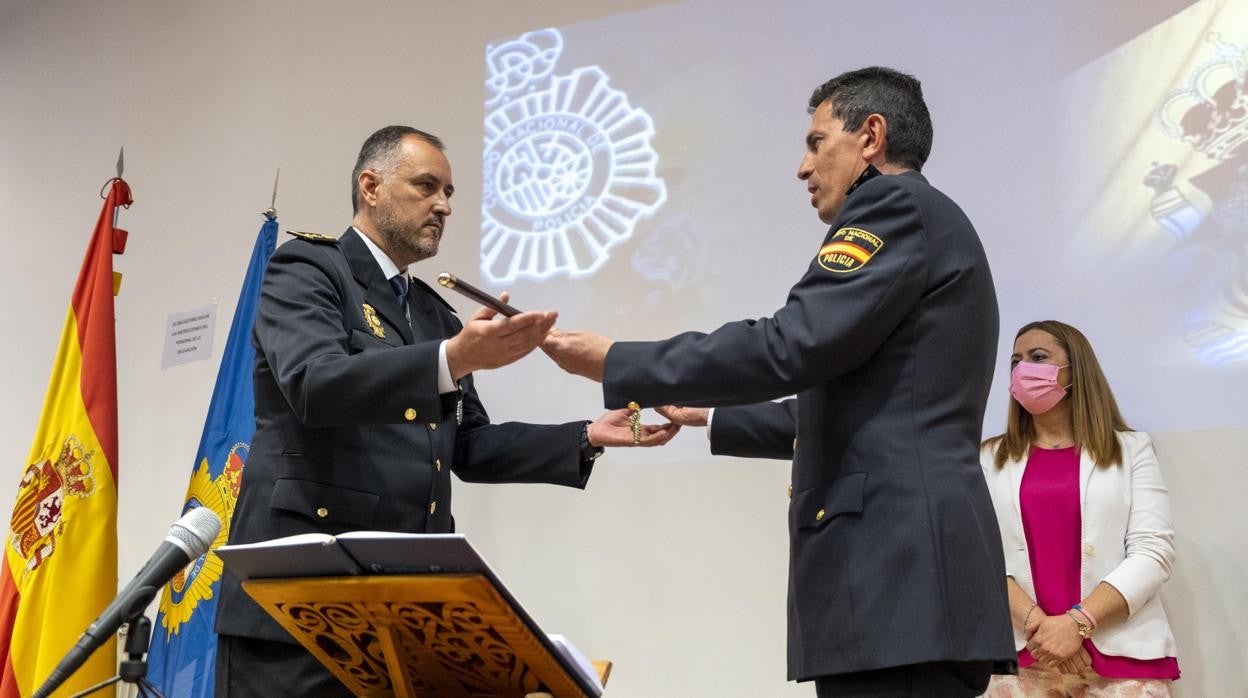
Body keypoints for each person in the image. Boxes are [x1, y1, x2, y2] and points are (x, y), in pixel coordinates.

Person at [543, 67, 1015, 696]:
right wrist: (706, 414)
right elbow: (865, 406)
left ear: (870, 136)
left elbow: (792, 342)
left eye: (817, 143)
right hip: (904, 588)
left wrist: (617, 360)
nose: (802, 166)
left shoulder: (893, 206)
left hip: (896, 576)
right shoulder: (925, 218)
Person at [213, 125, 679, 697]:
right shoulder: (309, 269)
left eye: (450, 193)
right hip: (302, 607)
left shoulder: (434, 314)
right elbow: (315, 384)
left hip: (399, 616)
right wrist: (448, 359)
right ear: (371, 186)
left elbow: (469, 446)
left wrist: (586, 435)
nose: (444, 206)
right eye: (427, 186)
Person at [980, 320, 1180, 696]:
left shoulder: (1131, 450)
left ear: (1076, 370)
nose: (1023, 370)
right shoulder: (988, 458)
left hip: (1122, 658)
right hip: (1021, 656)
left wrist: (1078, 624)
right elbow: (977, 555)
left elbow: (1154, 552)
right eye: (1015, 361)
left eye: (1038, 357)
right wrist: (1040, 627)